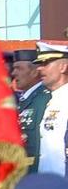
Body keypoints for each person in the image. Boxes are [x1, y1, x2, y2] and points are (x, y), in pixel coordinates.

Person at [37, 42, 67, 178]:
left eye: (46, 63)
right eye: (39, 64)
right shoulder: (52, 99)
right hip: (51, 186)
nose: (39, 69)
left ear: (63, 67)